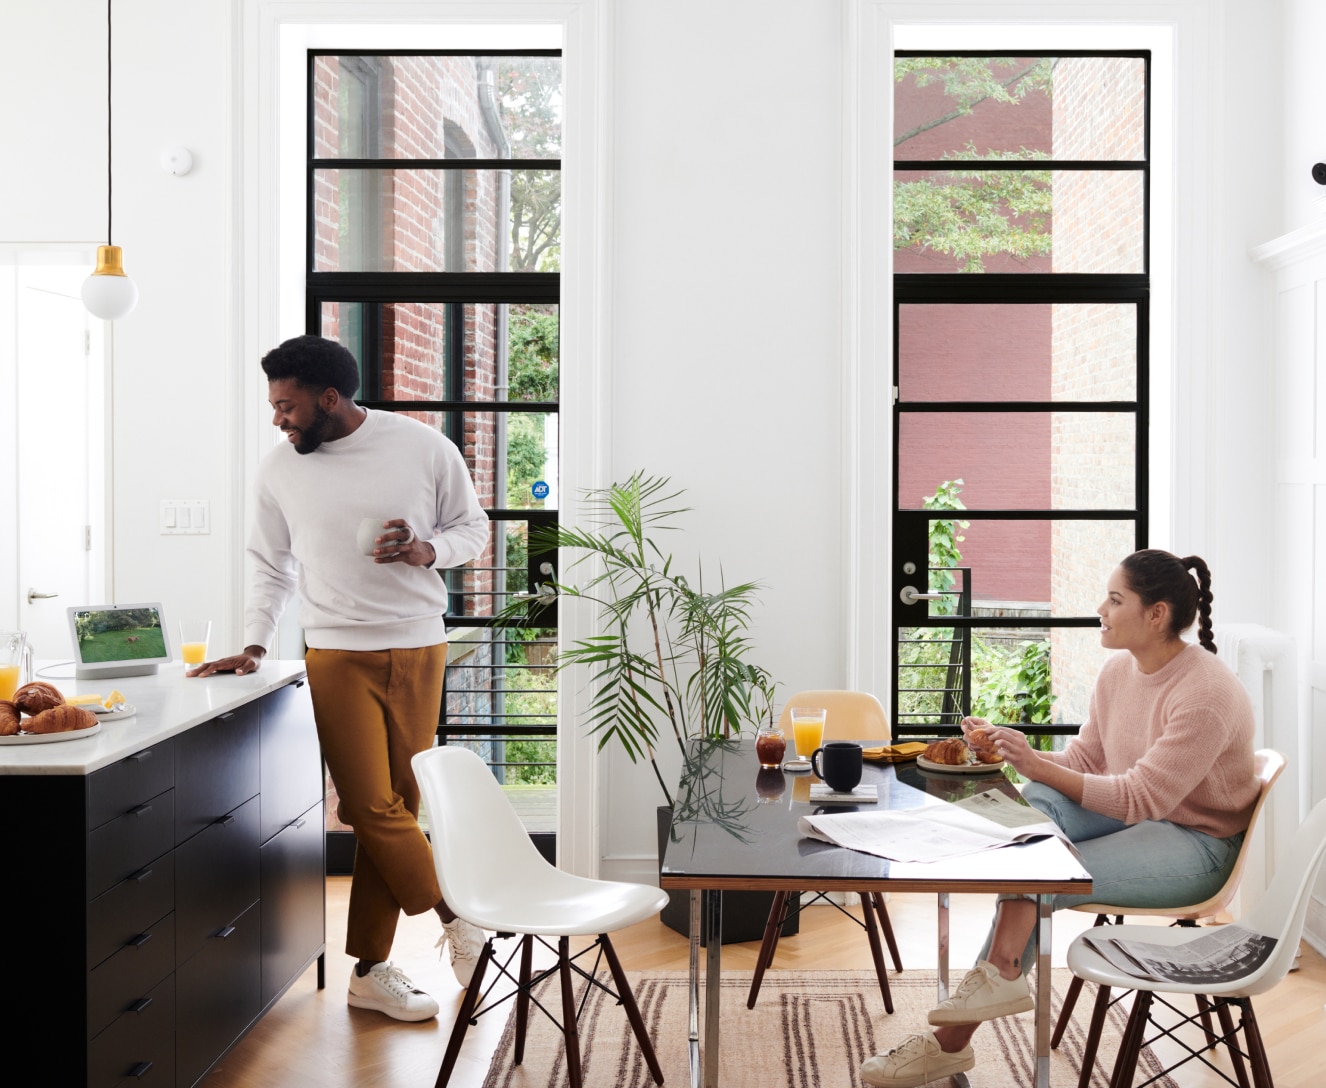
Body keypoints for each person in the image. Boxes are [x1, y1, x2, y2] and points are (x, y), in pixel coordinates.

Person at [860, 549, 1259, 1088]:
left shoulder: (1205, 694)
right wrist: (1023, 753)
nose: (1102, 608)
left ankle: (957, 1034)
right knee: (1038, 807)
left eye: (1115, 600)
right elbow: (1089, 765)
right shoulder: (1120, 672)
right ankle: (999, 975)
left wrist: (1032, 764)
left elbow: (1141, 796)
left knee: (1048, 870)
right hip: (1139, 821)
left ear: (1156, 614)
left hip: (1199, 844)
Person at [190, 335, 490, 1023]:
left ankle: (369, 970)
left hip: (419, 647)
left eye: (288, 406)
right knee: (369, 807)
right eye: (273, 406)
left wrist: (426, 551)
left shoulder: (422, 448)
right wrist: (255, 643)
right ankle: (460, 920)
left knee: (395, 812)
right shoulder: (278, 472)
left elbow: (473, 529)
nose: (278, 420)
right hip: (335, 653)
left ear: (330, 399)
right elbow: (270, 565)